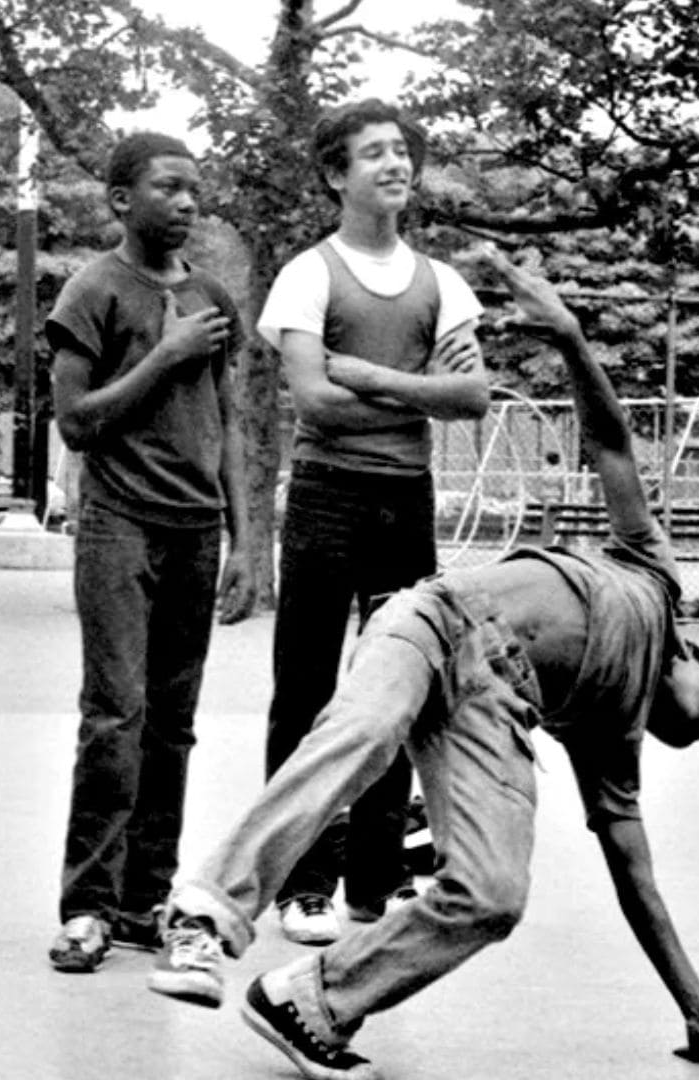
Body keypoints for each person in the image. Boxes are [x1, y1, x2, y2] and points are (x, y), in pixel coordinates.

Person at [146, 248, 699, 1080]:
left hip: (496, 708)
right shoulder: (652, 576)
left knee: (494, 893)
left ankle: (315, 1002)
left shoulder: (612, 747)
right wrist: (571, 336)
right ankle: (209, 913)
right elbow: (610, 439)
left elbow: (640, 887)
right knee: (362, 730)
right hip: (439, 618)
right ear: (696, 656)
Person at [255, 98, 489, 946]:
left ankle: (374, 879)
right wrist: (413, 392)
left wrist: (371, 377)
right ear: (335, 174)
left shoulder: (442, 283)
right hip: (325, 496)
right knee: (308, 691)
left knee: (400, 686)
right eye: (373, 154)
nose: (395, 165)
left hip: (406, 503)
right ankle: (300, 880)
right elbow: (312, 399)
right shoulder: (307, 274)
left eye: (402, 152)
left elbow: (472, 397)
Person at [44, 132, 255, 973]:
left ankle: (145, 900)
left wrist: (245, 537)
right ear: (121, 200)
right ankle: (88, 905)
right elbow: (75, 421)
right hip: (119, 522)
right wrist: (164, 356)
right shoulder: (93, 290)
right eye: (168, 188)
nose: (187, 203)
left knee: (172, 725)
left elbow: (231, 418)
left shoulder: (211, 298)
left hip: (197, 529)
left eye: (195, 190)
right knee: (114, 717)